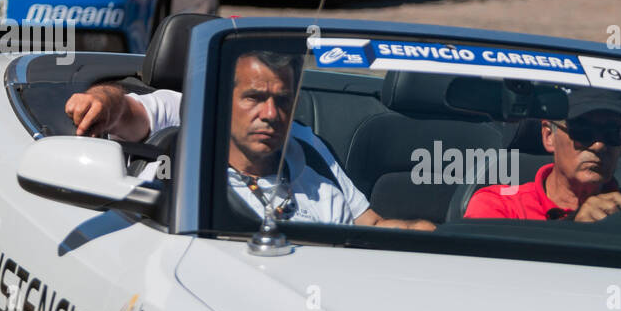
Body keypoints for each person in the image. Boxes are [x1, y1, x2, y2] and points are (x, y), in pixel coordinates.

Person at [64, 53, 436, 227]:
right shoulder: (185, 129)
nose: (271, 114)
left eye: (283, 100)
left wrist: (436, 238)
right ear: (219, 98)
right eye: (255, 98)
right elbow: (124, 112)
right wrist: (99, 103)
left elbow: (365, 227)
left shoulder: (309, 158)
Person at [465, 89, 621, 221]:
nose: (599, 145)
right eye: (583, 131)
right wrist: (576, 231)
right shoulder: (501, 206)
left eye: (614, 133)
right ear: (549, 136)